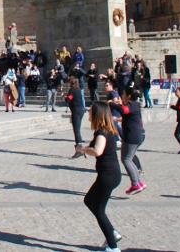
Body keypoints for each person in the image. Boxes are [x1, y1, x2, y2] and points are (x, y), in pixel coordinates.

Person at [75, 102, 123, 252]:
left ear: (97, 114)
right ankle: (112, 233)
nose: (88, 113)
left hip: (108, 175)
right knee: (89, 200)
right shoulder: (106, 130)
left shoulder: (102, 132)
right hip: (109, 174)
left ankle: (113, 246)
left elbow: (98, 151)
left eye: (90, 111)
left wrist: (83, 149)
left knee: (99, 209)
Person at [112, 88, 146, 195]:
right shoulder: (133, 105)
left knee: (126, 159)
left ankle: (135, 184)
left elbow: (123, 111)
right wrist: (117, 119)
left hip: (132, 136)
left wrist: (112, 104)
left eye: (123, 94)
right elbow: (128, 116)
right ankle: (139, 183)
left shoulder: (132, 104)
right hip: (134, 135)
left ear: (129, 96)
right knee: (128, 159)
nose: (122, 96)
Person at [65, 76, 85, 158]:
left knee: (76, 131)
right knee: (78, 129)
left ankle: (79, 150)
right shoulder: (78, 89)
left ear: (71, 82)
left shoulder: (72, 90)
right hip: (81, 110)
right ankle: (80, 149)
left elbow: (69, 99)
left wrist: (65, 97)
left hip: (76, 111)